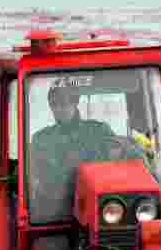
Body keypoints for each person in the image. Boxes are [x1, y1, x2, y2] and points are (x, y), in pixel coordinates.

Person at [28, 85, 116, 222]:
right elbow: (33, 175)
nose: (59, 108)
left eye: (64, 102)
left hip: (98, 207)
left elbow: (116, 165)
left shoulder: (99, 131)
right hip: (54, 211)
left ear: (75, 102)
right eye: (54, 104)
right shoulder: (41, 139)